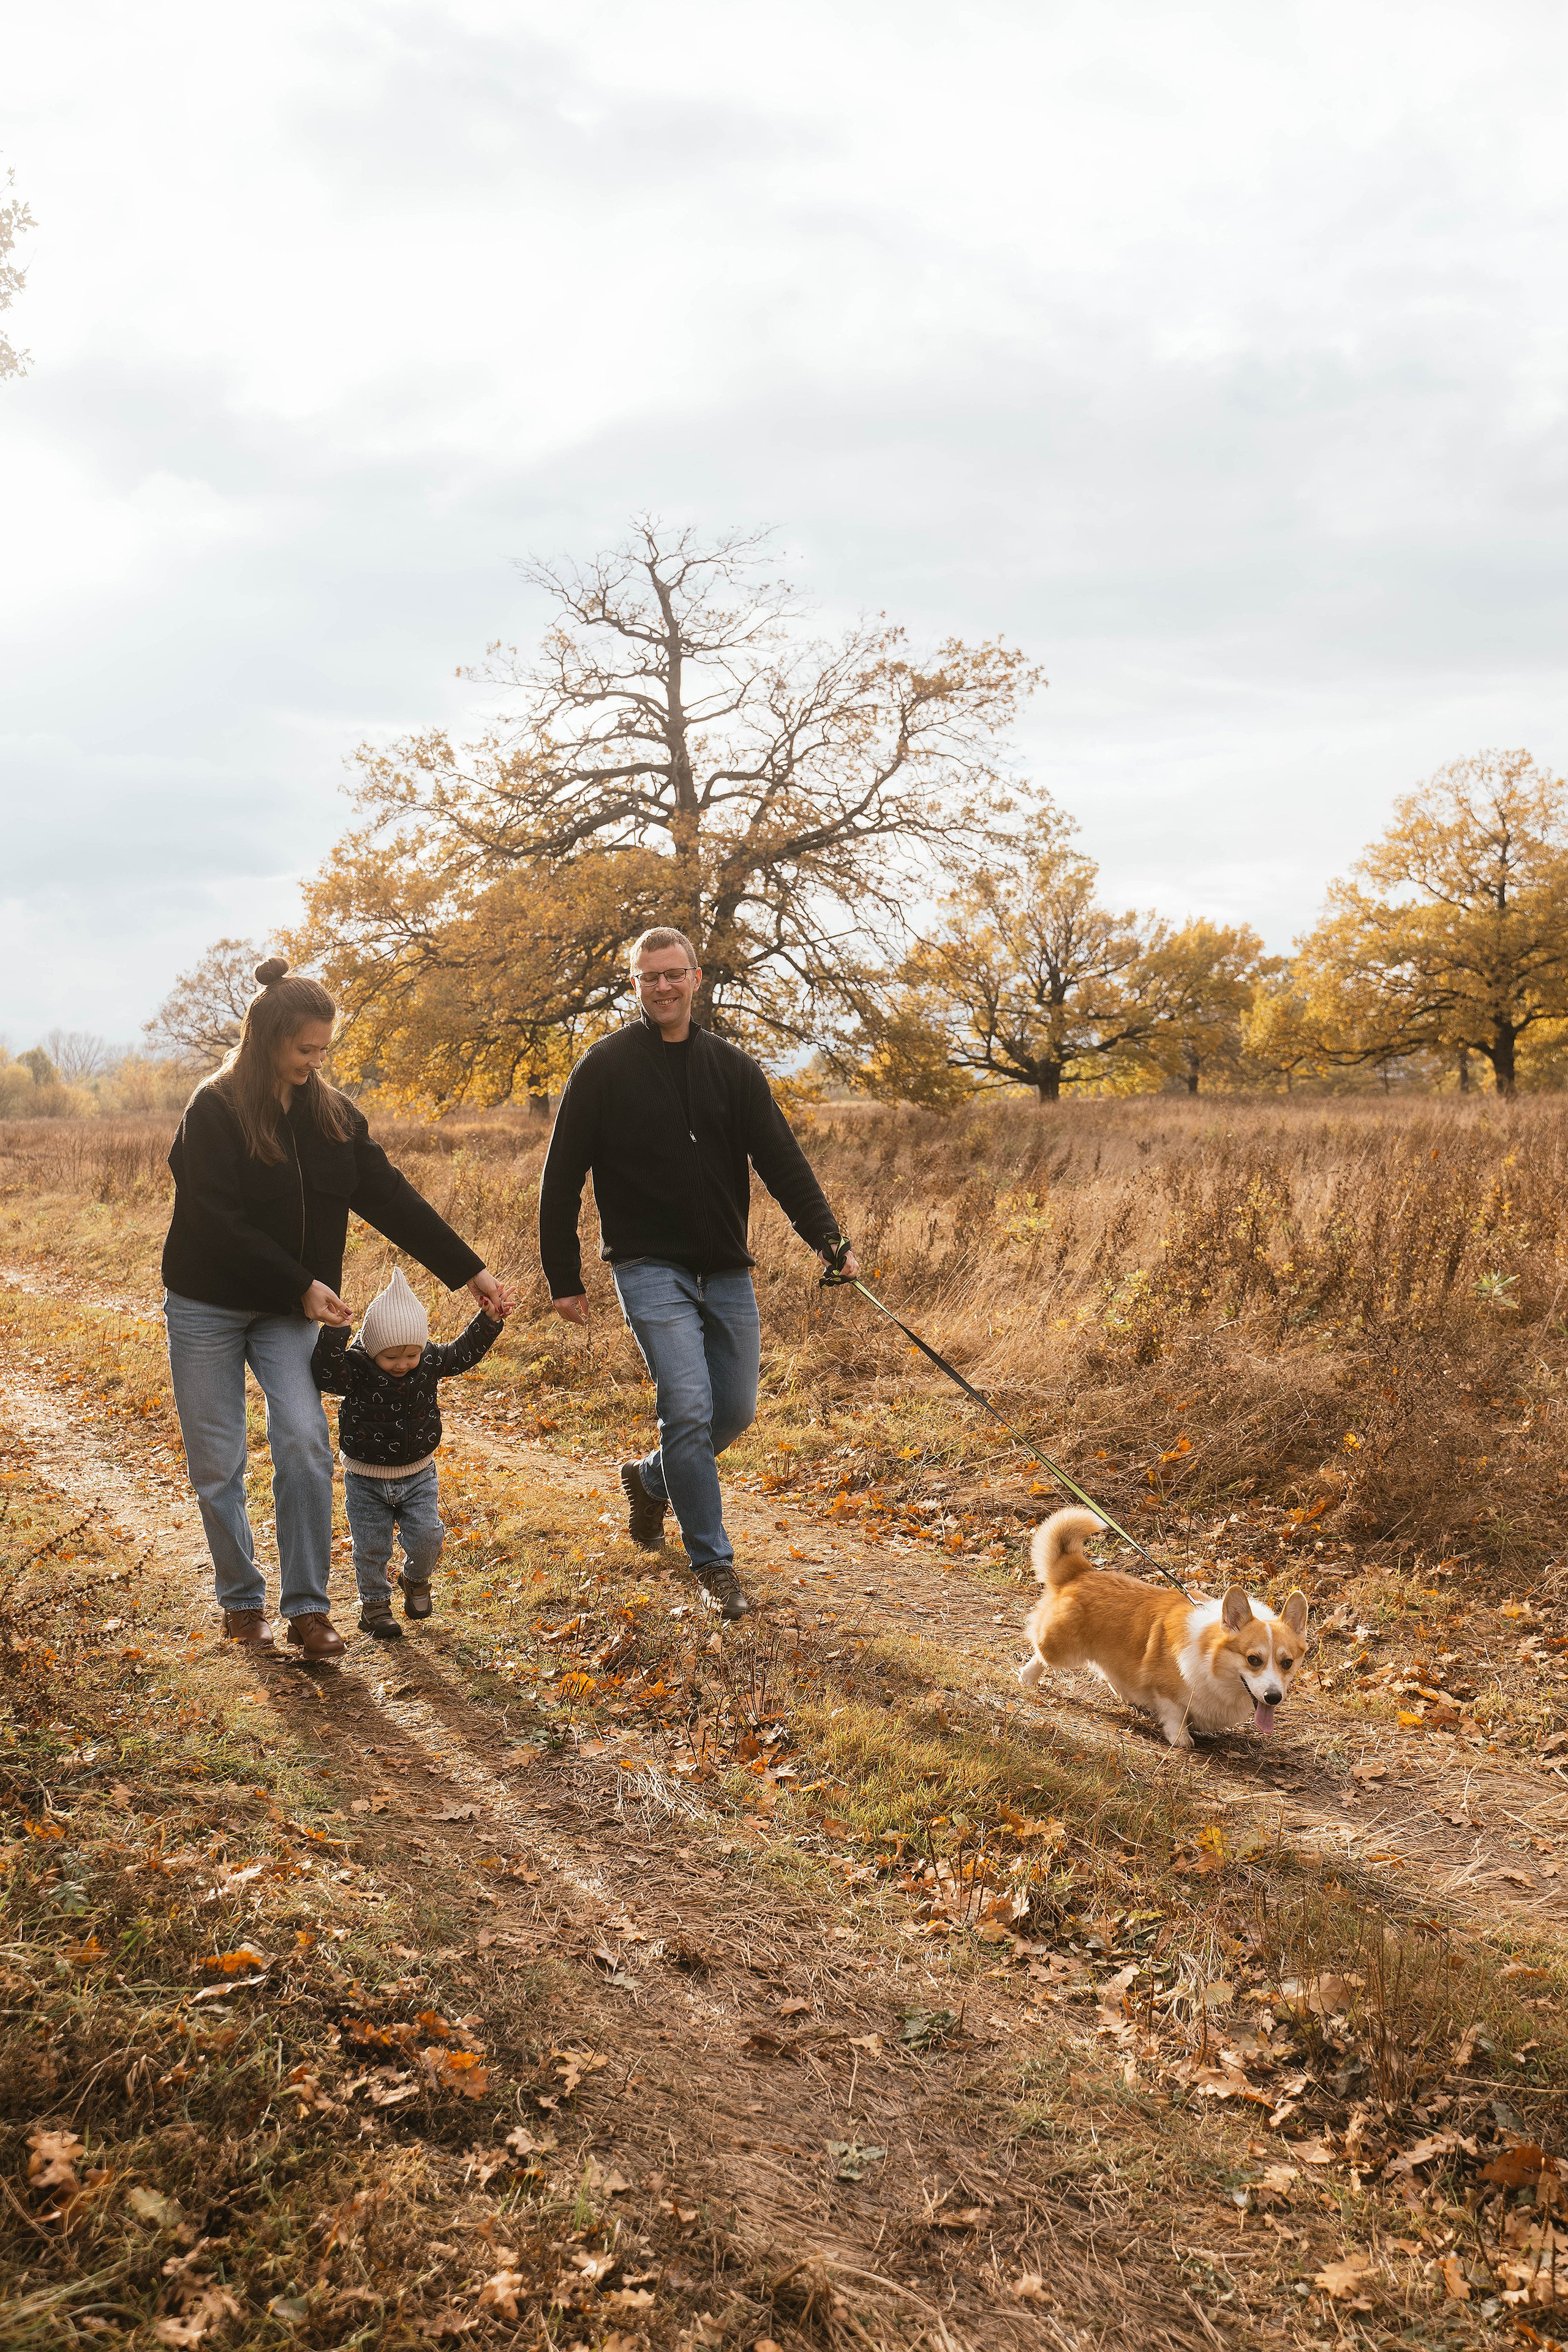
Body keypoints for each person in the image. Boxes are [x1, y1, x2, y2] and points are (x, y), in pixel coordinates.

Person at [161, 957, 510, 1657]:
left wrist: (468, 1272)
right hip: (207, 1304)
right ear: (265, 1039)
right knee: (218, 1461)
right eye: (303, 1050)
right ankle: (241, 1602)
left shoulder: (333, 1117)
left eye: (324, 1050)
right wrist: (300, 1281)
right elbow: (215, 1218)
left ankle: (308, 1609)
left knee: (303, 1441)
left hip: (291, 1312)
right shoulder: (216, 1108)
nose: (315, 1063)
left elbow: (390, 1197)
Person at [538, 925, 858, 1621]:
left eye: (673, 974)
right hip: (647, 1266)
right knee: (686, 1406)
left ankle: (651, 1479)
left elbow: (782, 1162)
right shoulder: (603, 1067)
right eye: (649, 976)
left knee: (733, 1410)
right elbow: (561, 1177)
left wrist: (830, 1242)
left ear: (696, 977)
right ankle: (713, 1563)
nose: (662, 987)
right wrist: (563, 1277)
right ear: (634, 984)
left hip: (725, 1268)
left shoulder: (733, 1070)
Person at [312, 1265, 507, 1639]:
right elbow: (324, 1373)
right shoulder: (356, 1369)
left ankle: (414, 1579)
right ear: (372, 1350)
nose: (402, 1364)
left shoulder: (428, 1361)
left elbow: (462, 1353)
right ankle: (374, 1607)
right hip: (366, 1479)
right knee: (371, 1548)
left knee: (428, 1536)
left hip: (418, 1474)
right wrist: (336, 1331)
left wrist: (489, 1320)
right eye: (391, 1357)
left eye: (411, 1355)